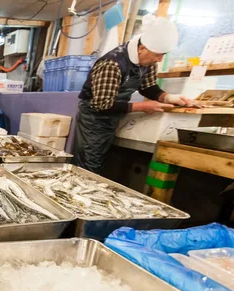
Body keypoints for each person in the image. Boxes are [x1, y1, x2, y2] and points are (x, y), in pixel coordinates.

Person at [73, 16, 194, 173]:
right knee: (89, 164)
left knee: (102, 162)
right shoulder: (112, 64)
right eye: (158, 54)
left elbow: (148, 87)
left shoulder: (147, 62)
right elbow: (101, 104)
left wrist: (169, 97)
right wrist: (143, 106)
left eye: (163, 55)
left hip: (113, 116)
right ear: (141, 48)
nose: (159, 59)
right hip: (93, 120)